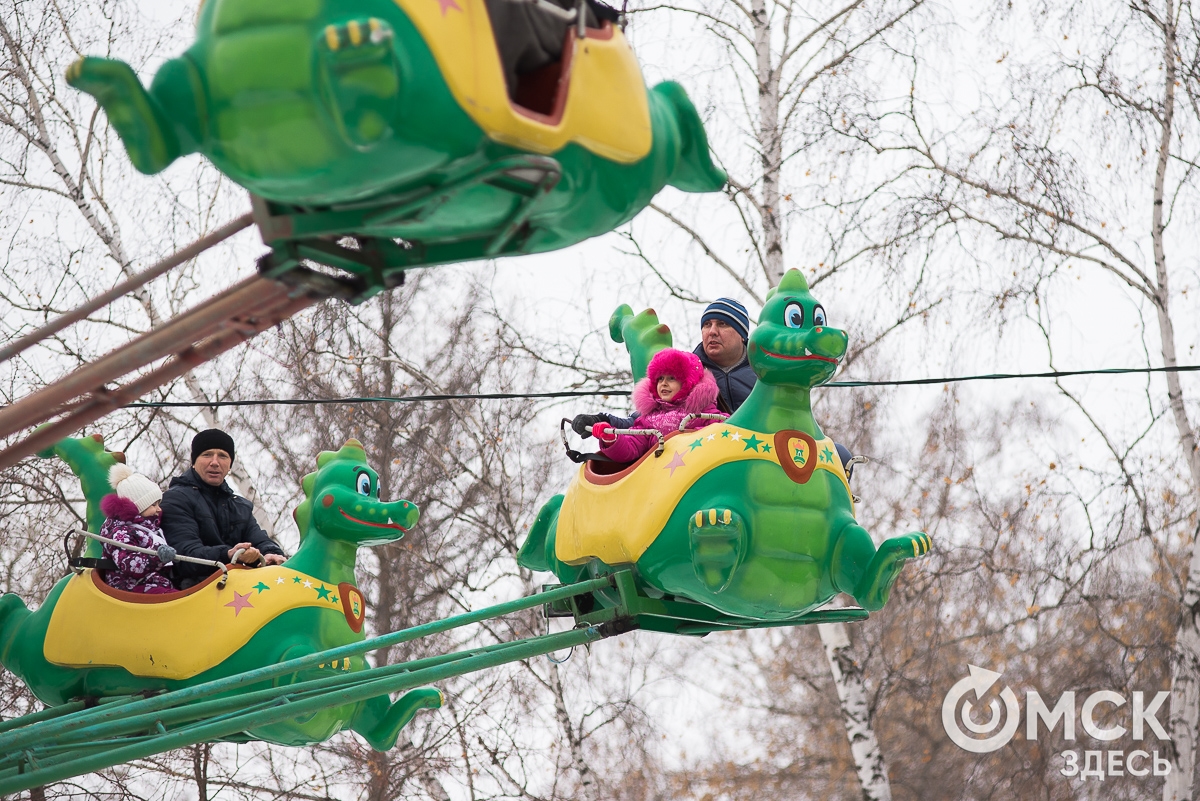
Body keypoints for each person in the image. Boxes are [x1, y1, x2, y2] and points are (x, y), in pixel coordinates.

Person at [161, 429, 286, 589]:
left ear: (230, 465)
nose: (214, 462)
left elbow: (261, 540)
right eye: (207, 454)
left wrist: (271, 554)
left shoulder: (241, 506)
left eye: (222, 455)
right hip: (193, 593)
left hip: (240, 592)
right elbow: (184, 555)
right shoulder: (176, 499)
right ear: (194, 461)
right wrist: (229, 554)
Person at [590, 348, 726, 462]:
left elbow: (727, 429)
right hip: (661, 479)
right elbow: (632, 447)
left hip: (695, 472)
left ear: (688, 383)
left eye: (672, 378)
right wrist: (611, 438)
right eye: (660, 378)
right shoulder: (649, 420)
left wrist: (693, 437)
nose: (664, 383)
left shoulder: (703, 412)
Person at [99, 464, 175, 594]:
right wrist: (157, 555)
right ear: (138, 506)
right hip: (129, 588)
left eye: (159, 504)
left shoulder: (149, 528)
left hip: (152, 582)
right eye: (153, 505)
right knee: (173, 599)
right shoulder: (121, 532)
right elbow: (130, 564)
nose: (159, 509)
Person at [694, 297, 756, 414]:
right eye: (707, 324)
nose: (712, 331)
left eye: (722, 324)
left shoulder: (764, 371)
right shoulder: (688, 373)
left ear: (742, 334)